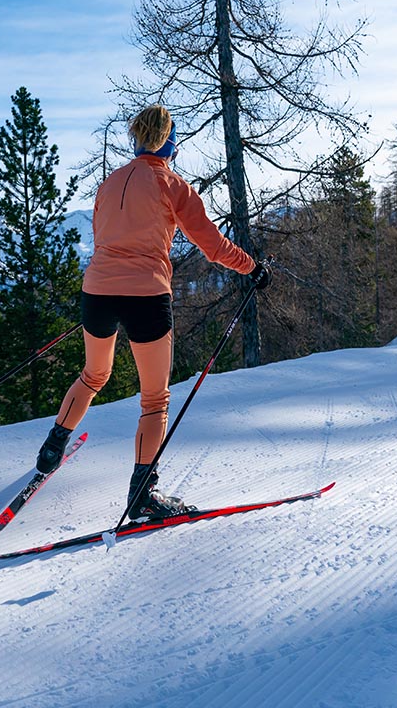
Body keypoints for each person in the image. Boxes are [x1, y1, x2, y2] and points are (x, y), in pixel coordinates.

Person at [33, 104, 270, 521]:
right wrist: (253, 267)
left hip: (98, 292)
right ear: (170, 143)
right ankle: (142, 495)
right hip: (146, 296)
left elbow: (105, 239)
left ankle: (53, 447)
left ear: (137, 139)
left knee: (94, 375)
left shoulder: (109, 184)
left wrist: (110, 288)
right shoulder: (173, 185)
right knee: (155, 400)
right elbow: (213, 247)